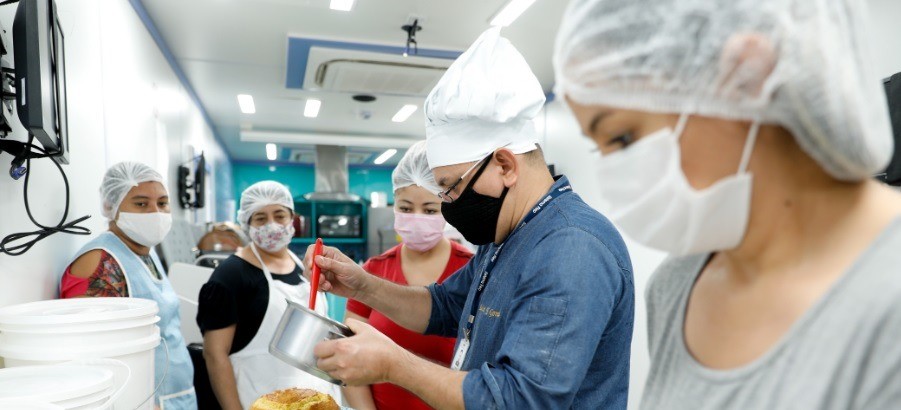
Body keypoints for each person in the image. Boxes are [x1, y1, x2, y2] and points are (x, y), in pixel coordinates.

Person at [554, 0, 901, 408]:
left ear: (746, 74)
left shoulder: (886, 305)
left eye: (622, 138)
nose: (615, 179)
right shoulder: (676, 285)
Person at [306, 27, 635, 409]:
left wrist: (393, 365)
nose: (446, 203)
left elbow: (519, 400)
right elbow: (445, 307)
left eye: (450, 187)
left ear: (504, 165)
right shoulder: (509, 235)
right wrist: (363, 286)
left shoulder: (572, 249)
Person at [343, 141, 474, 410]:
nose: (415, 218)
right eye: (405, 208)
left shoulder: (471, 271)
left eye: (429, 210)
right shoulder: (373, 271)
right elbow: (350, 361)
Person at [59, 162, 197, 409]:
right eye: (141, 204)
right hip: (144, 401)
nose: (155, 212)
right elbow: (91, 354)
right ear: (111, 206)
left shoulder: (146, 252)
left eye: (163, 203)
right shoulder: (100, 261)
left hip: (177, 396)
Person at [197, 181, 339, 409]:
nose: (272, 225)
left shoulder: (305, 267)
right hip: (259, 398)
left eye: (279, 215)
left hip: (316, 399)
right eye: (261, 218)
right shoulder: (231, 275)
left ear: (292, 219)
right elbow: (215, 355)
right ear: (247, 223)